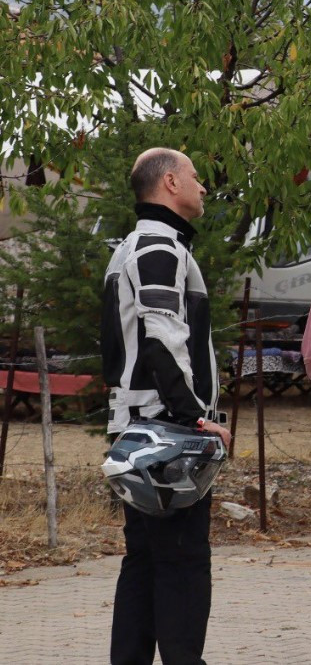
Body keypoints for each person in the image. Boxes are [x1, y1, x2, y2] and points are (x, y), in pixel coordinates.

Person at [101, 147, 232, 665]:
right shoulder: (160, 246)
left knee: (146, 562)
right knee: (181, 565)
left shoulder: (136, 244)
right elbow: (161, 340)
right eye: (197, 179)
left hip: (140, 426)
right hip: (164, 431)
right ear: (171, 183)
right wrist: (197, 419)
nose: (204, 188)